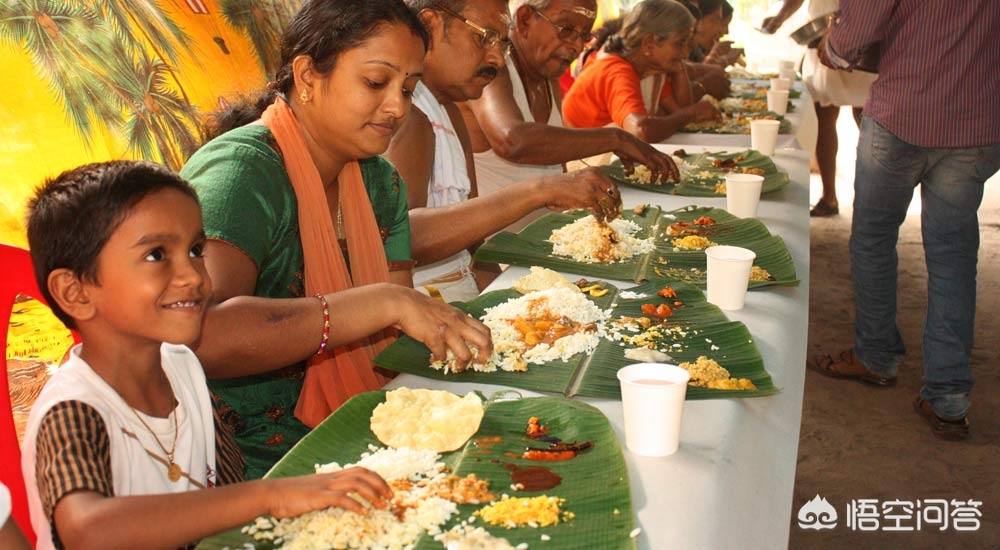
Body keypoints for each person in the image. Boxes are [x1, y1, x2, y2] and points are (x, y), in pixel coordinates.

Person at [180, 0, 493, 478]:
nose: (396, 106)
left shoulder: (378, 184)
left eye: (408, 89)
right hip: (251, 465)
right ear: (307, 76)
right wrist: (379, 303)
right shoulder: (243, 176)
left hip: (364, 429)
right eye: (375, 82)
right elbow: (200, 336)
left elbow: (394, 330)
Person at [21, 160, 393, 549]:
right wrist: (272, 496)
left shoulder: (181, 365)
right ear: (75, 292)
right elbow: (87, 530)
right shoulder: (72, 409)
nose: (194, 276)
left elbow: (228, 484)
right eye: (156, 255)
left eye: (196, 250)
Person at [808, 0, 1000, 440]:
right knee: (953, 257)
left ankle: (875, 355)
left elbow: (848, 43)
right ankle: (948, 396)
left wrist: (832, 46)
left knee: (873, 238)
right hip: (978, 121)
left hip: (904, 115)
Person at [384, 0, 627, 302]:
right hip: (433, 308)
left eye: (501, 43)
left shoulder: (451, 114)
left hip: (464, 295)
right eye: (485, 37)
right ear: (431, 25)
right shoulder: (406, 117)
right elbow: (400, 239)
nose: (498, 59)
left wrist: (507, 300)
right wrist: (540, 190)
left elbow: (473, 247)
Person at [457, 0, 678, 202]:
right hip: (502, 239)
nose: (576, 46)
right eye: (566, 29)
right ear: (524, 20)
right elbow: (512, 140)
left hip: (546, 231)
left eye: (584, 35)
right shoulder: (494, 66)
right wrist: (616, 138)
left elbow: (555, 165)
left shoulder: (546, 73)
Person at [762, 0, 876, 216]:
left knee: (870, 125)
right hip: (824, 39)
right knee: (828, 120)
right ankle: (831, 196)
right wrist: (779, 18)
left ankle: (867, 200)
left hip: (860, 39)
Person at [561, 0, 719, 143]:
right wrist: (690, 114)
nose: (686, 53)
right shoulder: (616, 70)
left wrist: (679, 68)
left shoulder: (651, 70)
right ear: (649, 43)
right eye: (679, 43)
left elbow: (678, 109)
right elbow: (641, 130)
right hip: (585, 163)